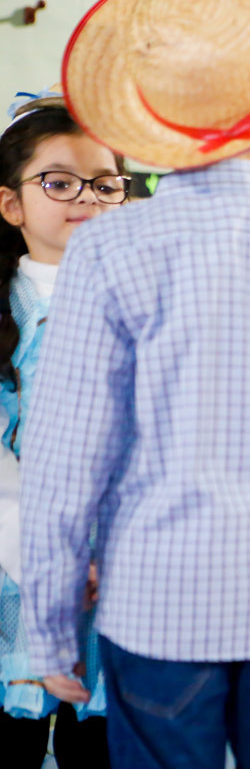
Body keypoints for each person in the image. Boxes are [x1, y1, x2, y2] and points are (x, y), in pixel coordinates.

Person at [18, 0, 250, 767]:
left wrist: (50, 628)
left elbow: (67, 459)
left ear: (153, 116)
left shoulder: (108, 248)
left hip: (158, 603)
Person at [0, 88, 124, 769]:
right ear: (11, 204)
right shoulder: (8, 316)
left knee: (100, 745)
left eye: (105, 184)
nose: (87, 198)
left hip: (122, 584)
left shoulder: (148, 311)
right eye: (59, 182)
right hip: (15, 575)